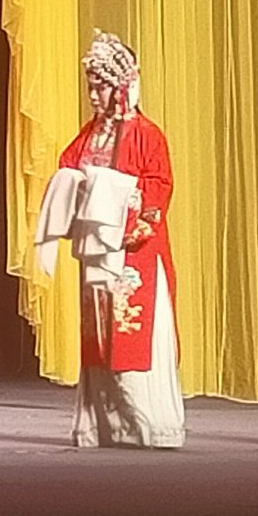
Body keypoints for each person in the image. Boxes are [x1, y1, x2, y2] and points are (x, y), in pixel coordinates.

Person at [55, 30, 184, 449]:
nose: (94, 95)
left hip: (133, 253)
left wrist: (119, 205)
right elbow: (68, 167)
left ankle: (146, 426)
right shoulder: (90, 134)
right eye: (91, 87)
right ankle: (103, 425)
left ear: (122, 86)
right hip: (99, 253)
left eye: (102, 86)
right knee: (98, 337)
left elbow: (157, 187)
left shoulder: (147, 134)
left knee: (131, 333)